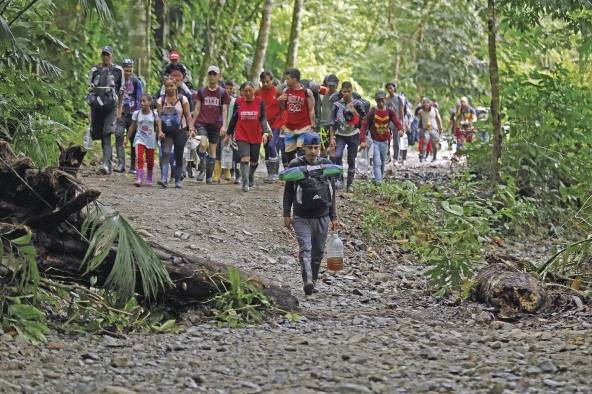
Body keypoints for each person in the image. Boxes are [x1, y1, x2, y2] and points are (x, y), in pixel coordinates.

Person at [282, 132, 339, 295]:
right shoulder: (295, 164)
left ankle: (312, 281)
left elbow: (332, 191)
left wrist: (333, 216)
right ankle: (307, 280)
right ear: (303, 148)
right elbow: (288, 192)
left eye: (316, 148)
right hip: (301, 216)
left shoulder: (326, 165)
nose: (313, 152)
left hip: (322, 215)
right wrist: (286, 213)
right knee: (305, 248)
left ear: (320, 148)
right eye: (310, 148)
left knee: (318, 252)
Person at [226, 81, 271, 192]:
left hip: (255, 134)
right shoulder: (238, 102)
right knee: (245, 158)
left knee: (254, 161)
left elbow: (263, 119)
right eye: (245, 91)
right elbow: (234, 119)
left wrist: (266, 131)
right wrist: (228, 134)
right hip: (242, 134)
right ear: (242, 92)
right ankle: (245, 182)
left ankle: (250, 176)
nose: (247, 93)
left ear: (254, 90)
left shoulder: (260, 102)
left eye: (250, 90)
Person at [86, 46, 124, 175]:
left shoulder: (118, 70)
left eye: (107, 54)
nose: (105, 57)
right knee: (98, 134)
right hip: (97, 107)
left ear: (111, 56)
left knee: (107, 133)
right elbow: (89, 91)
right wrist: (89, 112)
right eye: (103, 54)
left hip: (111, 108)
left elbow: (121, 91)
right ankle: (108, 161)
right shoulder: (95, 70)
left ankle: (106, 164)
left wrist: (119, 109)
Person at [193, 65, 230, 183]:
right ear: (208, 76)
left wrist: (224, 126)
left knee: (213, 151)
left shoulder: (223, 92)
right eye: (210, 74)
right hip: (202, 122)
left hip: (216, 124)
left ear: (219, 76)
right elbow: (197, 108)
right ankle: (202, 168)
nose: (212, 76)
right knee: (203, 144)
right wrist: (191, 124)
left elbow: (224, 110)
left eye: (215, 74)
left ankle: (209, 175)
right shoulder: (202, 91)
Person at [156, 78, 195, 188]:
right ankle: (164, 179)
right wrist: (159, 131)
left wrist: (191, 128)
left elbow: (188, 115)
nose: (169, 88)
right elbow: (159, 117)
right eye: (167, 86)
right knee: (166, 152)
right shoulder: (161, 100)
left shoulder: (183, 99)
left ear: (176, 86)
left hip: (180, 130)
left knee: (178, 154)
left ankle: (178, 180)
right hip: (166, 131)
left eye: (171, 86)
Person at [361, 90, 403, 183]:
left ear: (385, 100)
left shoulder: (389, 111)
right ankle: (378, 181)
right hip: (374, 141)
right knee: (377, 161)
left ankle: (380, 177)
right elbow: (364, 125)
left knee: (383, 162)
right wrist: (362, 140)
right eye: (378, 100)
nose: (380, 102)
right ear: (376, 100)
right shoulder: (372, 112)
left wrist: (400, 129)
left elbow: (396, 120)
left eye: (382, 100)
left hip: (385, 141)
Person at [329, 81, 364, 192]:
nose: (346, 94)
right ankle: (339, 179)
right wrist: (331, 138)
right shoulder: (337, 105)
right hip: (340, 134)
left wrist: (353, 109)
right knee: (337, 156)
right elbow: (332, 123)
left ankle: (350, 184)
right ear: (341, 92)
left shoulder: (357, 104)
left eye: (349, 91)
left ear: (351, 91)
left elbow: (363, 121)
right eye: (344, 91)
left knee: (351, 159)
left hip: (353, 134)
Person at [277, 68, 316, 164]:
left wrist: (313, 126)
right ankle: (293, 175)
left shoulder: (307, 92)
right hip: (290, 128)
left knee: (301, 151)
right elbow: (283, 109)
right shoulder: (286, 91)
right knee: (289, 154)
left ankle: (303, 174)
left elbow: (311, 110)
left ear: (295, 79)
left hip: (304, 127)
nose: (286, 81)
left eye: (288, 78)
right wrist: (280, 101)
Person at [115, 59, 143, 174]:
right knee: (118, 135)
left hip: (133, 115)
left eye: (130, 71)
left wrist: (138, 116)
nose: (128, 73)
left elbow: (140, 99)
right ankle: (121, 164)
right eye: (126, 70)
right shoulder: (118, 81)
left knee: (133, 140)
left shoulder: (136, 82)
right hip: (121, 114)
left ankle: (132, 166)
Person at [256, 70, 284, 182]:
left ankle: (275, 172)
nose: (265, 84)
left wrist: (283, 123)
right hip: (264, 124)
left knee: (272, 145)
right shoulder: (257, 92)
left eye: (267, 81)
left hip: (276, 123)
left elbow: (283, 108)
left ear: (271, 80)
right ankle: (270, 174)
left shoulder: (277, 91)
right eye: (263, 82)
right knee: (267, 147)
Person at [128, 94, 160, 187]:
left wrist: (159, 136)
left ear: (150, 102)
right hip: (139, 138)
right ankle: (139, 178)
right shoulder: (136, 113)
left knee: (150, 161)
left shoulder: (154, 114)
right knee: (139, 158)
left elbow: (158, 126)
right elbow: (132, 126)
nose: (142, 103)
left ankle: (149, 178)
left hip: (150, 139)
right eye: (141, 101)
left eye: (144, 101)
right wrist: (126, 138)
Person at [385, 81, 406, 165]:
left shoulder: (399, 98)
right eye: (388, 88)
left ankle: (395, 158)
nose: (390, 90)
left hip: (396, 121)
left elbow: (401, 112)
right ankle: (388, 156)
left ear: (394, 88)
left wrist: (402, 124)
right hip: (387, 121)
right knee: (386, 139)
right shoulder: (386, 99)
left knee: (396, 140)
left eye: (391, 88)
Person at [320, 74, 339, 160]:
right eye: (329, 85)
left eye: (333, 86)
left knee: (333, 149)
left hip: (335, 126)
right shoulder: (323, 92)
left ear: (337, 84)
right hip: (323, 124)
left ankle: (332, 169)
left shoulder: (339, 96)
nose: (331, 87)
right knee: (323, 149)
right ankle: (322, 168)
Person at [417, 97, 443, 162]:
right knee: (425, 142)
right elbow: (420, 120)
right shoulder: (420, 112)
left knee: (434, 144)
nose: (426, 105)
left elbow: (438, 119)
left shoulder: (434, 110)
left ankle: (434, 157)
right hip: (426, 129)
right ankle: (422, 157)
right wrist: (419, 128)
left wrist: (440, 128)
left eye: (427, 103)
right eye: (424, 103)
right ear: (422, 104)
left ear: (430, 104)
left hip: (434, 129)